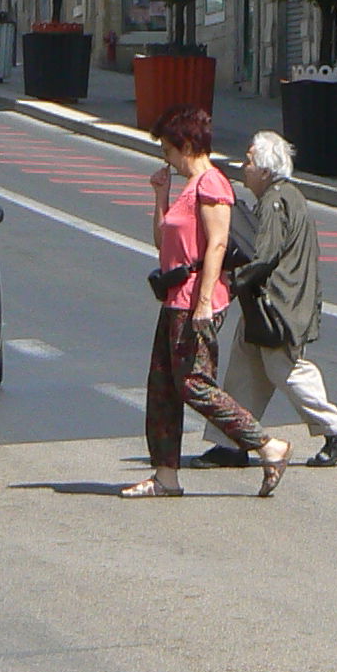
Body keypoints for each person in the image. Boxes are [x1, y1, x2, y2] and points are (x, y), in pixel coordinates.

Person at [120, 104, 290, 500]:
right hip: (174, 297)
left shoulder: (212, 185)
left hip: (198, 299)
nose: (166, 157)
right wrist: (160, 197)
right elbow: (164, 242)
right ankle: (166, 475)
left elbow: (216, 244)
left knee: (195, 383)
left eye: (167, 148)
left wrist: (202, 304)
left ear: (187, 145)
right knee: (163, 386)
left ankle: (266, 445)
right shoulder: (186, 188)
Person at [195, 132, 337, 470]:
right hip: (270, 305)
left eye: (249, 162)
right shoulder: (287, 197)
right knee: (245, 370)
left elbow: (262, 256)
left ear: (267, 170)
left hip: (278, 307)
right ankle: (231, 441)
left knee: (286, 369)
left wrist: (225, 285)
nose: (244, 168)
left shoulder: (275, 201)